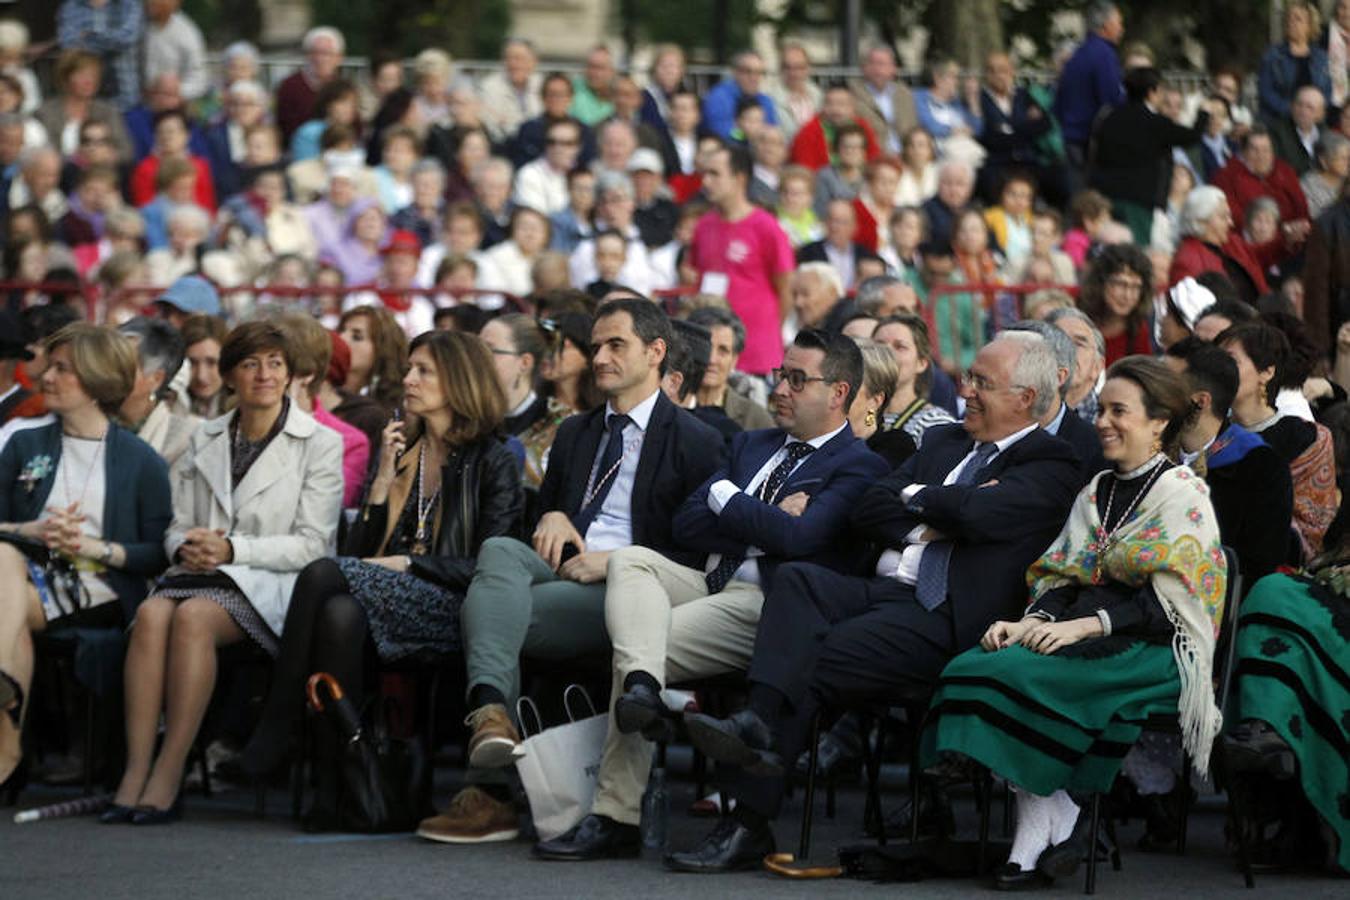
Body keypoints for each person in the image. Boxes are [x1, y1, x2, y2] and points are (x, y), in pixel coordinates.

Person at [671, 333, 1079, 872]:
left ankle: (747, 812)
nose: (966, 391)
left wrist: (926, 503)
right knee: (797, 580)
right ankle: (759, 724)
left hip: (945, 614)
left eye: (982, 383)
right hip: (884, 589)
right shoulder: (942, 444)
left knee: (811, 655)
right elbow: (870, 508)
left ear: (1025, 398)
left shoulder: (1053, 463)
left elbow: (981, 517)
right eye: (968, 378)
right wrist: (934, 516)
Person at [531, 329, 889, 860]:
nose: (781, 390)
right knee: (632, 561)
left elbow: (800, 541)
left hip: (767, 606)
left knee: (636, 650)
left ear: (838, 393)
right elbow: (686, 524)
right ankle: (645, 693)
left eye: (796, 379)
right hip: (704, 579)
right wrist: (760, 516)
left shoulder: (859, 464)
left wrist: (726, 496)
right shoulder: (753, 443)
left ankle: (616, 813)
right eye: (779, 376)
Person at [414, 299, 723, 843]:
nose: (599, 357)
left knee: (489, 612)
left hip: (629, 593)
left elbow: (699, 558)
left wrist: (618, 561)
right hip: (559, 570)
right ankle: (490, 715)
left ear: (656, 353)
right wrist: (553, 512)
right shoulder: (578, 433)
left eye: (614, 345)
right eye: (597, 345)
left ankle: (487, 785)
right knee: (498, 554)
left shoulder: (695, 440)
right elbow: (544, 525)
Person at [919, 356, 1226, 890]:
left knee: (1020, 676)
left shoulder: (1184, 493)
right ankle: (1047, 807)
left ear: (1158, 422)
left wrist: (1081, 628)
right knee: (979, 662)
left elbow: (1172, 605)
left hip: (1156, 648)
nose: (1103, 420)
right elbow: (1062, 574)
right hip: (1084, 633)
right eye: (1102, 409)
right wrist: (1031, 620)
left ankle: (1044, 817)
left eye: (1118, 411)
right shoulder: (1098, 488)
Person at [238, 331, 523, 792]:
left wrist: (408, 566)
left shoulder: (494, 460)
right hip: (385, 602)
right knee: (338, 614)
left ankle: (279, 727)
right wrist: (380, 486)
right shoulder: (406, 452)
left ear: (459, 380)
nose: (408, 380)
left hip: (456, 606)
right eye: (409, 368)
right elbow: (356, 559)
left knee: (322, 574)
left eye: (423, 371)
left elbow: (496, 566)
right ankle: (346, 783)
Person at [103, 321, 343, 824]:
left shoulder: (319, 443)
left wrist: (232, 548)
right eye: (251, 364)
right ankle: (135, 768)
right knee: (150, 615)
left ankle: (170, 772)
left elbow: (312, 545)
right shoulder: (204, 436)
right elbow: (176, 524)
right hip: (200, 571)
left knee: (191, 616)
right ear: (231, 376)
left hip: (272, 583)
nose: (264, 375)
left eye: (275, 363)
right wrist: (186, 546)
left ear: (290, 373)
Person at [0, 323, 172, 788]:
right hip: (23, 575)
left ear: (96, 381)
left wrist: (96, 547)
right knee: (4, 561)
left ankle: (7, 743)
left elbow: (157, 554)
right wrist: (28, 530)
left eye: (63, 369)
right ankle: (5, 742)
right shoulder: (23, 442)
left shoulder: (141, 461)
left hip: (99, 583)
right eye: (50, 366)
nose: (45, 377)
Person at [1221, 551, 1350, 874]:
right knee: (1272, 588)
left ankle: (1274, 735)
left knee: (1318, 632)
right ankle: (1266, 728)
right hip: (1330, 588)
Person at [1164, 338, 1293, 584]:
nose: (1153, 394)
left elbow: (1259, 564)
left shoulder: (1260, 466)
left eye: (1167, 386)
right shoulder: (1148, 452)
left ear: (1201, 401)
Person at [1218, 323, 1336, 561]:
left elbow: (1312, 531)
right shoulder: (1209, 433)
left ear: (1266, 372)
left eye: (1231, 361)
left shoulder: (1307, 439)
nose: (1219, 371)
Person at [687, 143, 794, 376]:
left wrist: (768, 333)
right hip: (712, 356)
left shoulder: (766, 227)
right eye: (704, 174)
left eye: (715, 174)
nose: (705, 181)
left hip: (756, 356)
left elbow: (786, 288)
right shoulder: (704, 225)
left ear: (739, 178)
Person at [1090, 67, 1203, 246]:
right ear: (1152, 92)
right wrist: (1203, 114)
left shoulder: (1109, 117)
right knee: (1136, 251)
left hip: (1106, 196)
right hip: (1137, 202)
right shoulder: (1155, 123)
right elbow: (1192, 136)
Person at [479, 313, 572, 491]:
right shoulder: (468, 417)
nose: (477, 360)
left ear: (524, 362)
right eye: (476, 350)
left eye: (490, 351)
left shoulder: (561, 423)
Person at [1054, 1, 1125, 175]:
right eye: (1119, 23)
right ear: (1106, 25)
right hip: (1089, 141)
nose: (1122, 29)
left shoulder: (1079, 54)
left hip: (1070, 136)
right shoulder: (1104, 54)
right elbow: (1111, 99)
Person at [117, 317, 198, 467]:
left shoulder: (186, 440)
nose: (108, 372)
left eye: (123, 365)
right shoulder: (86, 421)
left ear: (156, 378)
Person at [873, 313, 956, 447]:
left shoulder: (937, 423)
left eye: (900, 346)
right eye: (879, 345)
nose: (887, 352)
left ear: (921, 363)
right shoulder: (855, 414)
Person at [686, 306, 774, 432]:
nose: (712, 359)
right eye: (706, 348)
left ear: (734, 360)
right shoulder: (667, 405)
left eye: (723, 351)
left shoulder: (756, 420)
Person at [55, 0, 142, 112]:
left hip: (126, 100)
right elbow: (68, 44)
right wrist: (111, 40)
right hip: (85, 106)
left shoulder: (129, 4)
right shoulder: (71, 7)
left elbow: (127, 39)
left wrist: (90, 37)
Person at [1258, 0, 1332, 125]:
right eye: (1289, 18)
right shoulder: (1273, 55)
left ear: (1310, 26)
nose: (1291, 23)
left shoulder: (1321, 57)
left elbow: (1327, 91)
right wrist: (1293, 111)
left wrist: (1315, 111)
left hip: (1314, 121)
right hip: (1280, 119)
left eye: (1298, 19)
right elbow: (1266, 91)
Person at [1078, 244, 1154, 365]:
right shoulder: (1076, 313)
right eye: (1120, 284)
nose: (1127, 295)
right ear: (1101, 282)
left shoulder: (1137, 331)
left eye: (1136, 287)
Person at [849, 337, 918, 467]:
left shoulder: (895, 448)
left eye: (849, 388)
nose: (836, 394)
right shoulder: (812, 437)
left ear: (875, 400)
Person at [275, 27, 344, 144]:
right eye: (315, 52)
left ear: (339, 58)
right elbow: (284, 127)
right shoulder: (290, 86)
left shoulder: (344, 89)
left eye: (326, 53)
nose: (320, 59)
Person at [850, 45, 918, 155]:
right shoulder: (852, 94)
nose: (878, 69)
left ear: (893, 68)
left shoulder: (905, 93)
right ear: (864, 68)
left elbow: (913, 127)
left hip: (906, 154)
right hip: (872, 155)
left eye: (882, 64)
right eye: (872, 63)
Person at [1047, 307, 1106, 424]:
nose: (1066, 349)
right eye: (1058, 340)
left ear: (1097, 367)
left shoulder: (1108, 420)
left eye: (1078, 344)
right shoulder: (1021, 414)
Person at [143, 0, 208, 103]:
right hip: (139, 101)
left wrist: (171, 92)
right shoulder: (138, 25)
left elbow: (199, 81)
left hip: (174, 106)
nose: (150, 2)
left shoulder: (187, 33)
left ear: (175, 3)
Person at [703, 51, 777, 140]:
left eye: (759, 72)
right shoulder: (719, 97)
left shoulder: (766, 101)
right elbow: (724, 132)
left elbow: (772, 131)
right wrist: (745, 137)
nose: (753, 77)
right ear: (735, 72)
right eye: (747, 71)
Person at [1270, 85, 1326, 176]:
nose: (1303, 111)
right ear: (1291, 106)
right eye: (1299, 104)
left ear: (1320, 114)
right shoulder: (1277, 132)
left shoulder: (1325, 133)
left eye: (1309, 107)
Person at [1299, 131, 1350, 219]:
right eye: (1343, 158)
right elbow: (1317, 219)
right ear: (1324, 161)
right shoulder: (1308, 186)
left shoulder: (1347, 181)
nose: (1348, 163)